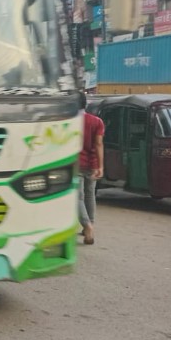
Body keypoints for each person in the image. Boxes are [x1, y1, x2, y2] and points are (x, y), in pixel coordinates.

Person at [79, 92, 104, 245]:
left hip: (75, 164)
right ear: (86, 104)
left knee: (78, 197)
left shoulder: (70, 122)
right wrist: (100, 166)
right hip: (92, 164)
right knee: (90, 194)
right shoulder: (97, 121)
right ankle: (91, 224)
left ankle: (87, 225)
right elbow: (99, 144)